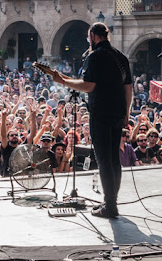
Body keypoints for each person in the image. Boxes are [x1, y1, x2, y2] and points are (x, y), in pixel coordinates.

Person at [51, 22, 132, 218]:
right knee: (113, 158)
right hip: (118, 113)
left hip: (101, 113)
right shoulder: (121, 57)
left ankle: (110, 206)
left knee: (104, 159)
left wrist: (62, 80)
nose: (89, 41)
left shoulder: (94, 56)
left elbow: (88, 86)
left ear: (93, 37)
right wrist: (127, 114)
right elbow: (128, 87)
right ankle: (111, 202)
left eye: (89, 38)